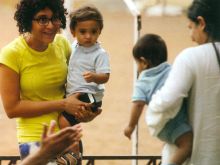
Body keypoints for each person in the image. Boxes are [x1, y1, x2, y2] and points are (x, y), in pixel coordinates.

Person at [0, 0, 100, 164]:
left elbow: (76, 87)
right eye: (42, 19)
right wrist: (63, 104)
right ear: (27, 21)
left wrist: (84, 112)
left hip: (69, 138)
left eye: (55, 18)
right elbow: (12, 108)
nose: (51, 25)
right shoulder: (11, 54)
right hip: (36, 141)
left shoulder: (61, 44)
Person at [146, 0, 220, 164]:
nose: (191, 36)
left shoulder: (191, 57)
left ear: (201, 23)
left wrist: (152, 110)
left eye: (190, 28)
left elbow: (167, 100)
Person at [123, 34, 192, 165]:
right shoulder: (172, 71)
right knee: (187, 145)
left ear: (143, 62)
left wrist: (130, 126)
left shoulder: (142, 81)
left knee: (175, 143)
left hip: (162, 126)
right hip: (175, 123)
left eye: (137, 63)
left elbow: (138, 104)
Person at [59, 5, 110, 127]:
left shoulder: (100, 54)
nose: (88, 36)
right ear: (73, 32)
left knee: (63, 122)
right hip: (74, 93)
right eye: (83, 32)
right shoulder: (73, 46)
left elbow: (105, 76)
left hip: (89, 95)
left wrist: (94, 77)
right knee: (63, 120)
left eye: (93, 32)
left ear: (100, 31)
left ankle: (71, 142)